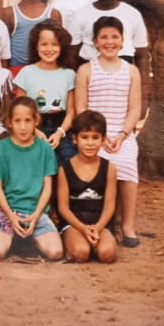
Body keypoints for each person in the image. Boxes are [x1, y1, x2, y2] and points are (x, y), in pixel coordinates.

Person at [74, 16, 142, 248]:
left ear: (122, 41)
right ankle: (105, 223)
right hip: (93, 135)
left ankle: (127, 225)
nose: (109, 42)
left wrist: (122, 135)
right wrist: (98, 138)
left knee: (127, 166)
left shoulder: (132, 71)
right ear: (95, 41)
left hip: (122, 135)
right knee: (96, 167)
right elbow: (81, 108)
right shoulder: (85, 70)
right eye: (104, 37)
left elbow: (135, 109)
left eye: (114, 37)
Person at [0, 96, 64, 260]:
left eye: (28, 120)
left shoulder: (45, 149)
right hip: (7, 212)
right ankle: (15, 238)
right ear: (9, 122)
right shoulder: (1, 148)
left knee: (55, 252)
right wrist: (11, 216)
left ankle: (28, 238)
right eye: (17, 121)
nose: (22, 127)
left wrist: (36, 215)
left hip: (36, 212)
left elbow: (47, 186)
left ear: (36, 121)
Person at [69, 0, 149, 111]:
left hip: (123, 83)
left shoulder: (132, 14)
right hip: (90, 81)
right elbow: (71, 58)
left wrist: (143, 97)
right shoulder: (80, 15)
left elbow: (142, 57)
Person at [57, 110, 118, 263]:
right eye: (84, 137)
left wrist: (98, 227)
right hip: (74, 224)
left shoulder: (109, 168)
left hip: (100, 223)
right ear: (75, 139)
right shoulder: (65, 169)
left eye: (95, 138)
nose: (90, 143)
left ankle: (100, 241)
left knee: (107, 254)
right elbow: (63, 208)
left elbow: (109, 205)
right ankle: (71, 241)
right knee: (81, 253)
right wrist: (82, 228)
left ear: (103, 139)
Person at [13, 20, 77, 165]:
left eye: (54, 44)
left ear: (61, 47)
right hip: (32, 127)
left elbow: (71, 112)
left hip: (62, 128)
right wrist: (34, 130)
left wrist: (60, 133)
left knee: (68, 163)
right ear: (36, 46)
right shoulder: (26, 73)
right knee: (35, 163)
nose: (49, 49)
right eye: (44, 44)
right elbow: (18, 109)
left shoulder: (69, 74)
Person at [0, 0, 62, 76]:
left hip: (45, 72)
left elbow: (58, 47)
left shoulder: (53, 14)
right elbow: (3, 50)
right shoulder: (8, 13)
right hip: (16, 72)